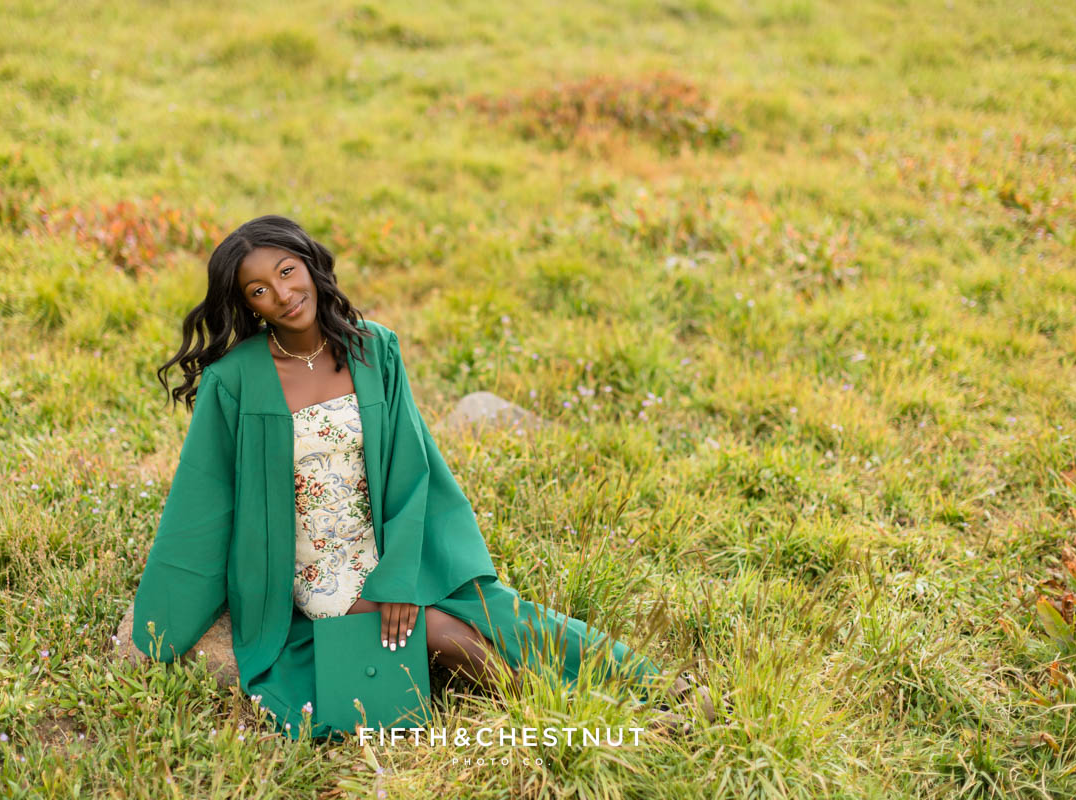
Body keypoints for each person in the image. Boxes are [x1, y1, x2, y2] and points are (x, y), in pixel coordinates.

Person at [131, 214, 703, 740]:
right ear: (246, 304)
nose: (282, 294)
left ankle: (656, 686)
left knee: (501, 612)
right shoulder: (235, 380)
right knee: (440, 632)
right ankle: (567, 714)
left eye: (286, 272)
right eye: (259, 290)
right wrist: (161, 624)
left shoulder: (372, 347)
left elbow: (411, 467)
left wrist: (400, 575)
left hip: (388, 545)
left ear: (308, 264)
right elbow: (203, 499)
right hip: (317, 566)